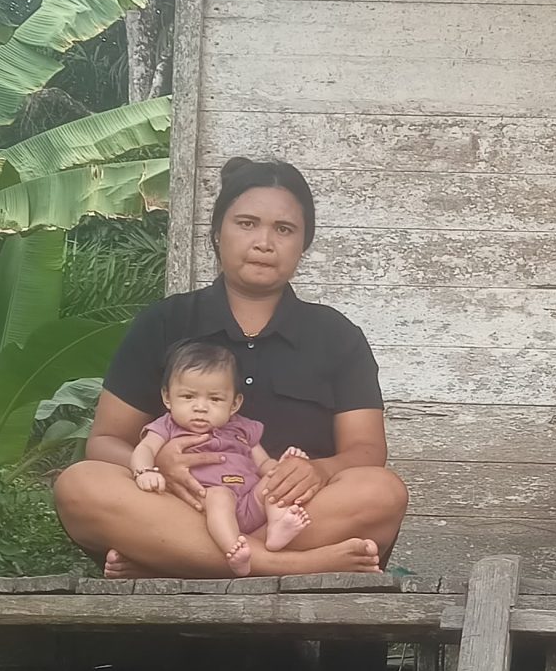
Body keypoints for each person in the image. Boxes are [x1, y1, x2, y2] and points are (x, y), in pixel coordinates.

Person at [53, 157, 409, 576]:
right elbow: (105, 441)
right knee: (79, 485)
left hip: (288, 514)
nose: (264, 242)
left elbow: (367, 452)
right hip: (181, 506)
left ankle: (174, 558)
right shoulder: (165, 322)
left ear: (304, 244)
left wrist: (318, 470)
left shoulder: (336, 335)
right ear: (217, 232)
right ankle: (286, 565)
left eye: (284, 229)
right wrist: (156, 463)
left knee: (382, 492)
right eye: (246, 223)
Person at [129, 339, 312, 569]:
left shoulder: (242, 428)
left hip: (249, 502)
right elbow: (145, 448)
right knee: (220, 496)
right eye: (188, 397)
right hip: (204, 506)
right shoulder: (167, 426)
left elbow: (264, 462)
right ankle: (233, 550)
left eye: (215, 399)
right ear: (167, 398)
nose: (201, 407)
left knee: (275, 483)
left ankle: (277, 527)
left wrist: (283, 467)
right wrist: (144, 471)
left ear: (234, 404)